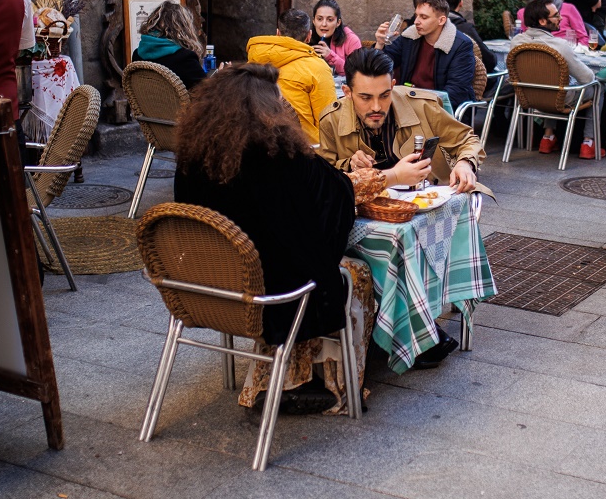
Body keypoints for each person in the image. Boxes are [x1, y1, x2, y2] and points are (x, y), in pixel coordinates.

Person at [174, 62, 432, 412]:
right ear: (266, 110)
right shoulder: (280, 159)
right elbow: (331, 198)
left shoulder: (193, 157)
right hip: (271, 293)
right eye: (281, 103)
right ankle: (327, 383)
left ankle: (285, 377)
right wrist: (390, 176)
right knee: (351, 272)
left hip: (205, 286)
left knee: (297, 255)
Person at [318, 48, 481, 194]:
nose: (376, 107)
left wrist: (465, 163)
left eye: (384, 95)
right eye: (365, 97)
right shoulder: (332, 119)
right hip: (367, 208)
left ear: (393, 85)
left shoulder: (422, 106)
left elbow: (466, 139)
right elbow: (324, 177)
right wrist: (350, 165)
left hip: (428, 199)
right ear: (347, 92)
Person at [511, 0, 605, 159]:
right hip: (559, 99)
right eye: (556, 16)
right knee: (598, 87)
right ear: (542, 21)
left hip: (528, 97)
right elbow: (587, 78)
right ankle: (588, 143)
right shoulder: (560, 45)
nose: (561, 18)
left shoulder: (516, 42)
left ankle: (547, 138)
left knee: (550, 85)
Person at [246, 8, 336, 143]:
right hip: (305, 148)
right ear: (309, 36)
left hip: (261, 143)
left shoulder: (254, 61)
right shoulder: (317, 67)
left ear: (277, 34)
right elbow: (328, 122)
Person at [375, 0, 476, 109]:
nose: (416, 21)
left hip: (442, 110)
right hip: (408, 103)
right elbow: (382, 65)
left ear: (441, 20)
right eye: (416, 15)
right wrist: (380, 44)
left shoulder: (460, 45)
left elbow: (455, 92)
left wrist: (420, 103)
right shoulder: (410, 37)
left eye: (423, 17)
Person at [131, 2, 207, 90]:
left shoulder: (137, 55)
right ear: (184, 28)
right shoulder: (185, 58)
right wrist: (220, 76)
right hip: (180, 104)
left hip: (144, 104)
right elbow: (205, 92)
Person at [440, 0, 496, 73]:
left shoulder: (432, 27)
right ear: (461, 3)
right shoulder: (466, 29)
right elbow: (489, 61)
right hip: (466, 80)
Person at [518, 0, 589, 45]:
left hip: (564, 51)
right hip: (537, 51)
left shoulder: (569, 9)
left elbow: (583, 38)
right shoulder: (523, 13)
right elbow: (522, 38)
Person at [307, 0, 362, 76]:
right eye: (319, 19)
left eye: (330, 20)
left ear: (338, 22)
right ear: (314, 21)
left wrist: (330, 56)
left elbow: (357, 72)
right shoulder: (307, 38)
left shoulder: (352, 40)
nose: (324, 24)